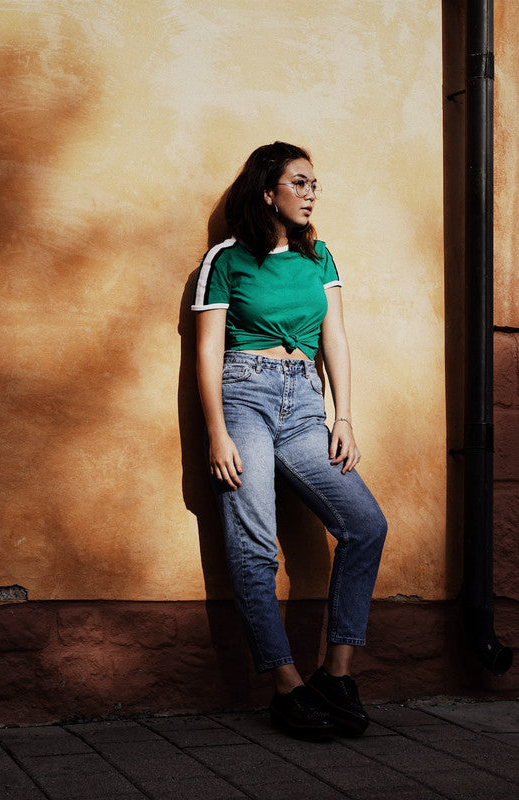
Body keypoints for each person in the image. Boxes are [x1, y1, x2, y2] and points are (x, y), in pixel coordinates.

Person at [192, 141, 387, 741]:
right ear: (268, 191)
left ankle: (335, 673)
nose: (310, 194)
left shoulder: (319, 258)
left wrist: (344, 417)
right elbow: (206, 348)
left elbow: (337, 339)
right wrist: (218, 434)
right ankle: (286, 687)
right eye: (299, 183)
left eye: (313, 185)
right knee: (253, 547)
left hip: (305, 405)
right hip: (244, 399)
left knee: (366, 524)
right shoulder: (225, 259)